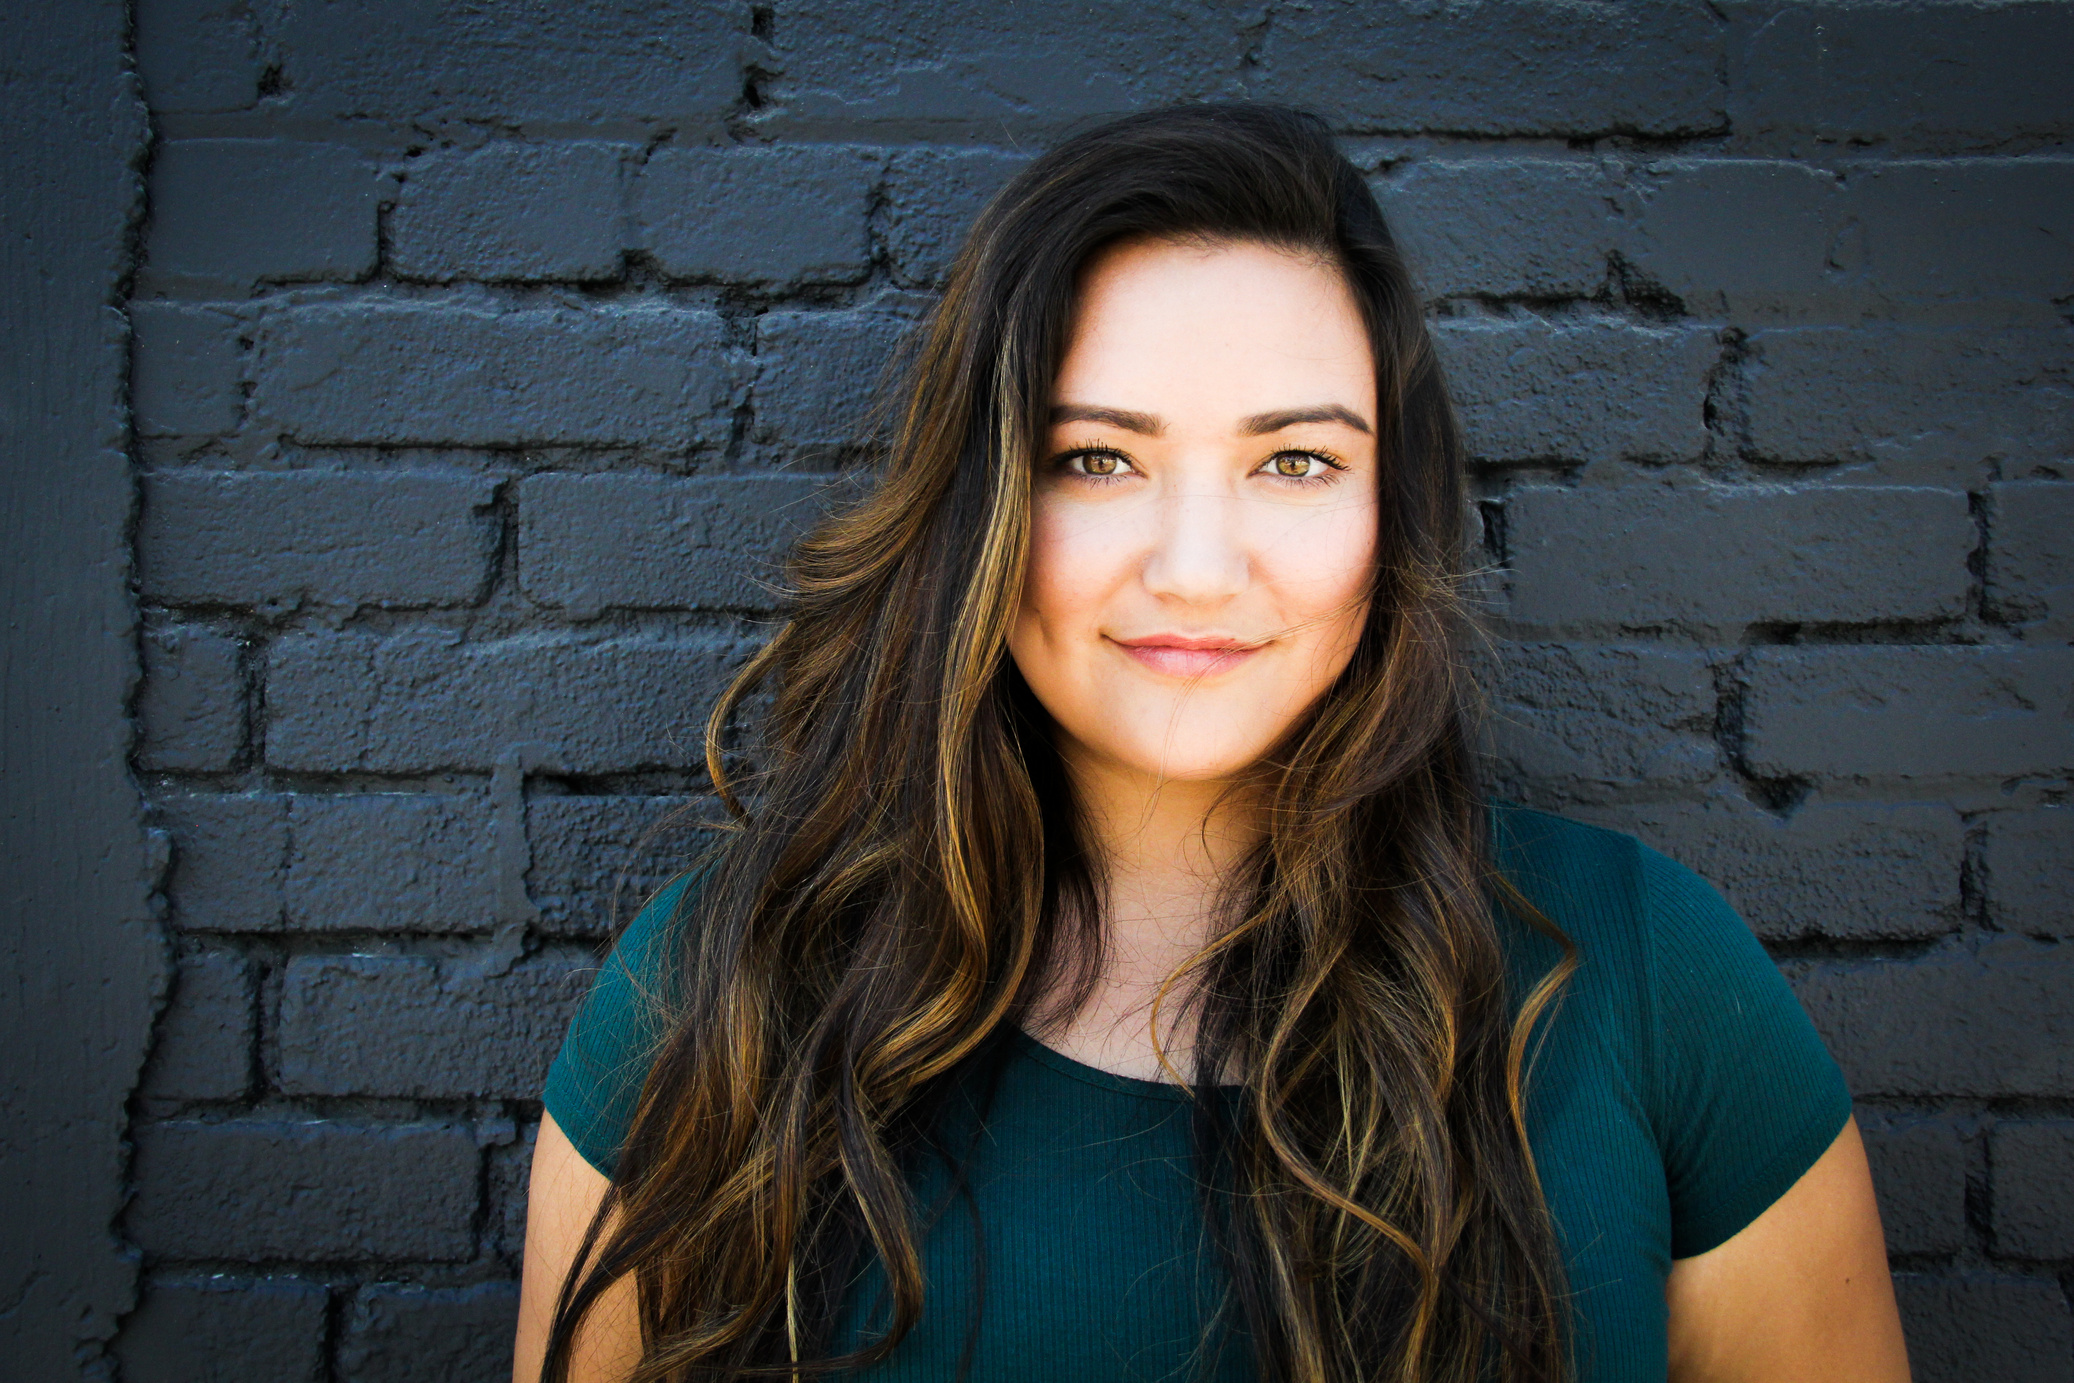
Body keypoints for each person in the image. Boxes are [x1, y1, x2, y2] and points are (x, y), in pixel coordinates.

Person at [513, 104, 1911, 1383]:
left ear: (1390, 519)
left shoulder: (1649, 979)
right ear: (981, 509)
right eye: (1095, 459)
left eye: (1293, 462)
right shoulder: (721, 998)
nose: (1193, 567)